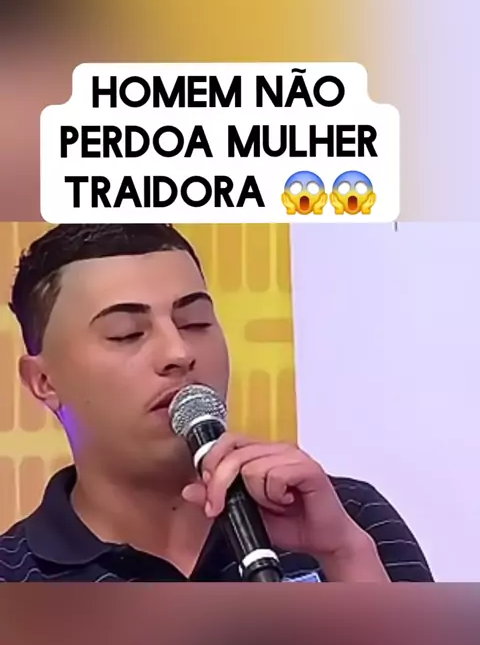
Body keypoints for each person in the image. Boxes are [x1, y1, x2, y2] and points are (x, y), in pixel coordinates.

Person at [1, 223, 433, 582]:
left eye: (195, 323)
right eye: (126, 334)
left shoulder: (347, 518)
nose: (178, 353)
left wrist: (345, 556)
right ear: (43, 382)